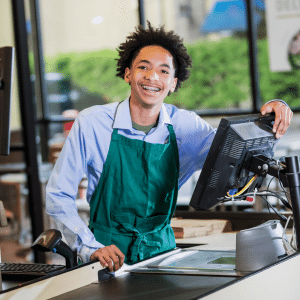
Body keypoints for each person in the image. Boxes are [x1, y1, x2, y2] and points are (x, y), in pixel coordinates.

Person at [46, 23, 293, 272]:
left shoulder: (186, 126)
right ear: (128, 73)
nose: (152, 77)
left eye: (163, 71)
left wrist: (274, 112)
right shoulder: (92, 123)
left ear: (173, 83)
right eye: (143, 67)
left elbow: (235, 150)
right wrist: (89, 247)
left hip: (161, 254)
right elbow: (58, 195)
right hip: (106, 255)